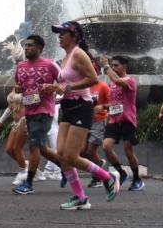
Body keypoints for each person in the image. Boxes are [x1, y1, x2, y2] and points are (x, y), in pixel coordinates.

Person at [44, 21, 119, 210]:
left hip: (81, 106)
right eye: (58, 33)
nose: (59, 36)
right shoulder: (66, 57)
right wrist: (54, 87)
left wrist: (68, 87)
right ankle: (80, 197)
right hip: (68, 106)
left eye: (62, 33)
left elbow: (93, 78)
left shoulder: (78, 54)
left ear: (74, 35)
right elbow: (66, 83)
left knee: (71, 155)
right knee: (61, 155)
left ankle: (107, 177)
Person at [12, 35, 64, 195]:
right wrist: (19, 90)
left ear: (40, 49)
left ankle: (28, 183)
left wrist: (54, 87)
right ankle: (67, 168)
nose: (26, 48)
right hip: (29, 111)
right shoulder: (20, 66)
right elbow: (18, 87)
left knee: (34, 146)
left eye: (30, 45)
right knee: (41, 148)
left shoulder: (50, 65)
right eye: (26, 45)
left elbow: (64, 83)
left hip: (44, 111)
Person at [101, 55, 144, 191]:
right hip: (114, 120)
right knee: (106, 147)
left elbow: (117, 80)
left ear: (124, 67)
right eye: (112, 65)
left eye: (116, 65)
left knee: (128, 151)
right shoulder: (112, 84)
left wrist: (106, 66)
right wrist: (104, 107)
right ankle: (122, 172)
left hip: (127, 120)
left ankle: (137, 179)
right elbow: (115, 103)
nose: (113, 67)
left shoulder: (130, 80)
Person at [83, 60, 110, 188]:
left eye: (94, 69)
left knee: (90, 150)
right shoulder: (83, 86)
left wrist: (103, 106)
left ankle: (98, 177)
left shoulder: (103, 86)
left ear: (98, 72)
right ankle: (98, 163)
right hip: (85, 121)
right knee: (83, 151)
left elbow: (113, 104)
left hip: (99, 121)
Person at [0, 91, 28, 186]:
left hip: (24, 122)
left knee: (17, 148)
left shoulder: (28, 94)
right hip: (15, 124)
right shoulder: (16, 90)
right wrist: (0, 121)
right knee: (9, 149)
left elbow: (37, 98)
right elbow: (8, 109)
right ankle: (25, 165)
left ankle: (23, 172)